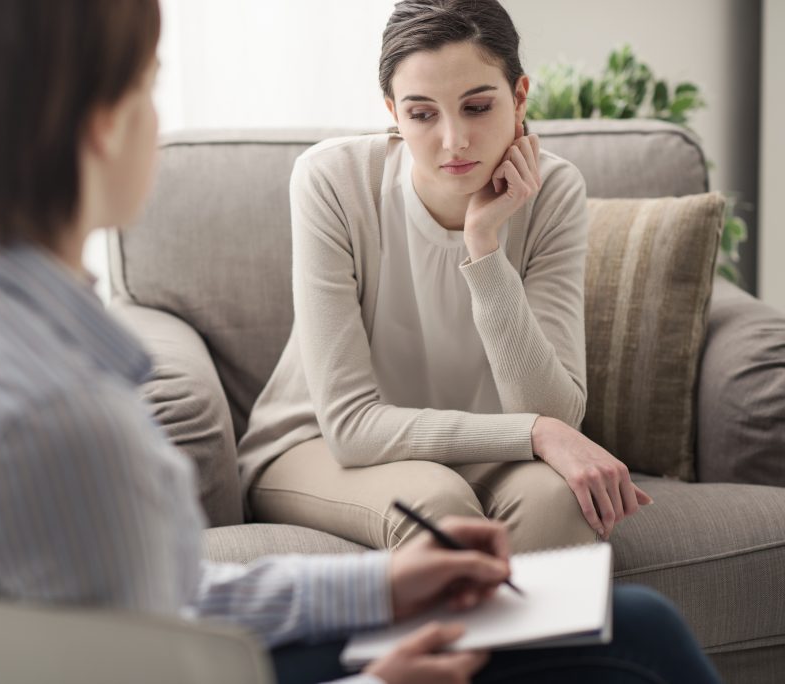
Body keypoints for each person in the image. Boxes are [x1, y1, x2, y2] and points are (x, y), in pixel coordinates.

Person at [0, 1, 722, 682]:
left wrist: (379, 589)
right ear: (102, 127)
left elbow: (163, 604)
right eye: (148, 83)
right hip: (326, 471)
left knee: (619, 620)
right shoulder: (66, 423)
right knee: (647, 634)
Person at [238, 0, 652, 554]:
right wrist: (531, 434)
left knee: (561, 504)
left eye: (477, 107)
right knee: (437, 503)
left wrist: (483, 247)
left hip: (484, 453)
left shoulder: (555, 191)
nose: (454, 140)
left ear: (519, 96)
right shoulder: (332, 181)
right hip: (317, 446)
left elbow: (554, 412)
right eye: (422, 113)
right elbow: (351, 426)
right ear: (393, 111)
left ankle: (531, 644)